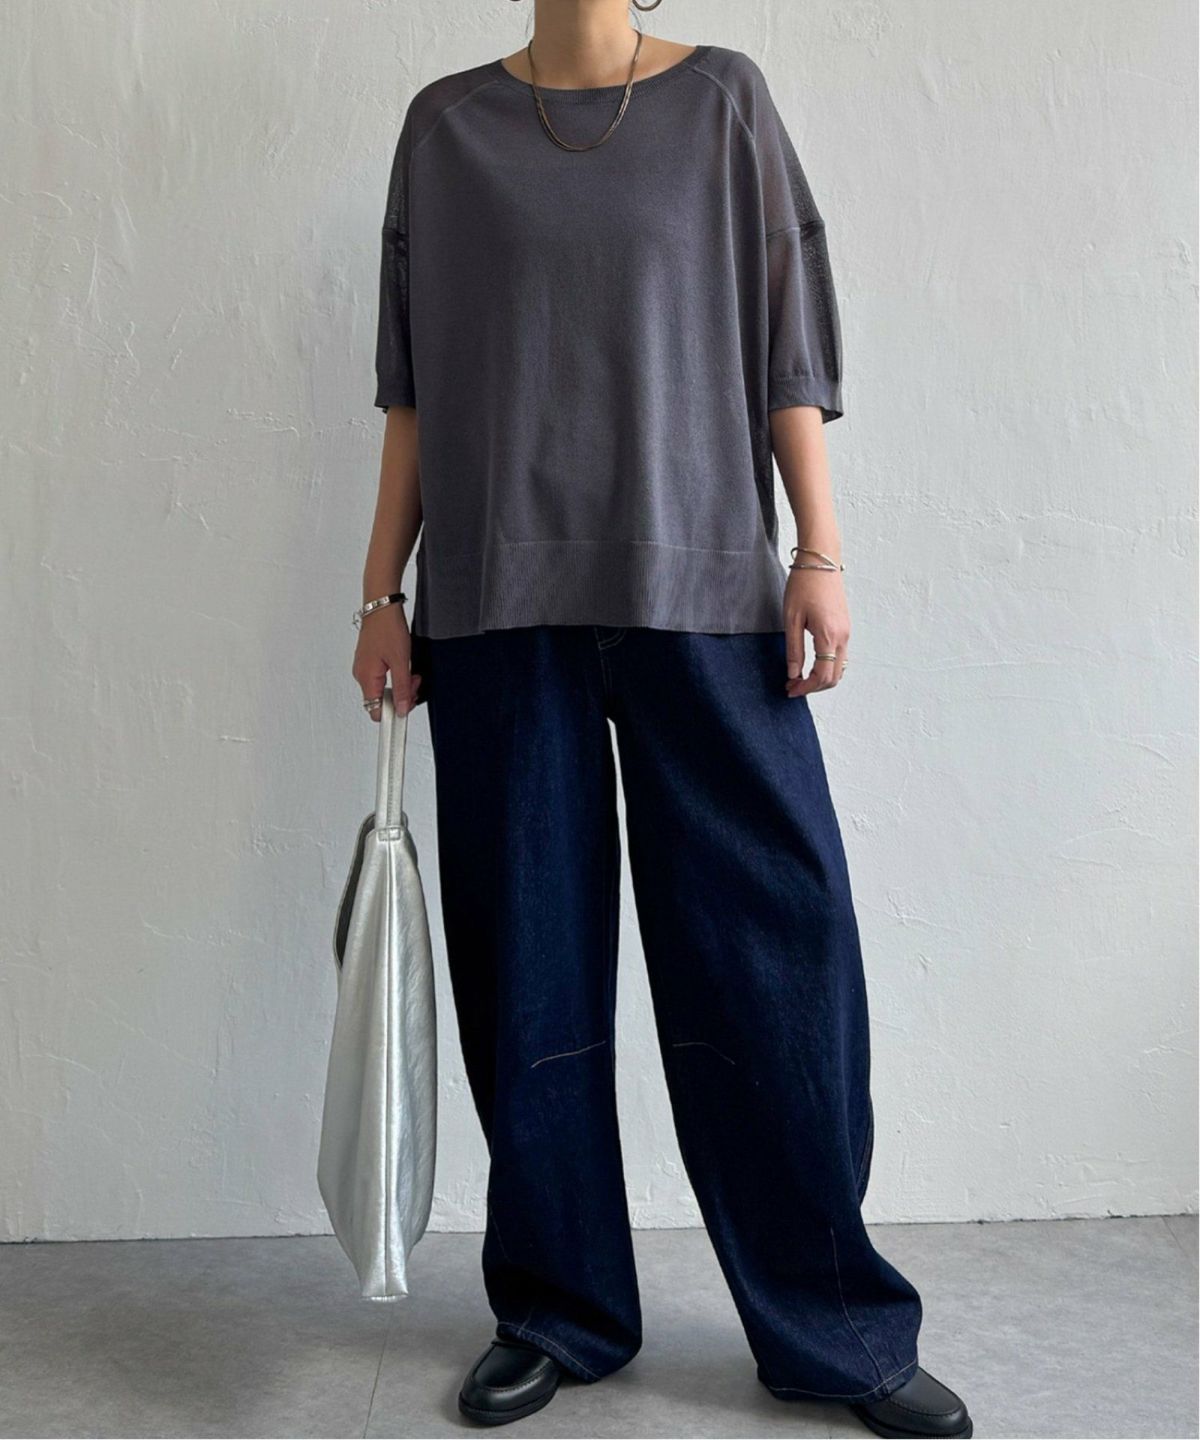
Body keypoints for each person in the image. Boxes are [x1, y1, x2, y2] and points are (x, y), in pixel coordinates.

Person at [352, 4, 972, 1436]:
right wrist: (380, 590)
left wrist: (819, 553)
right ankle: (557, 1307)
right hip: (496, 602)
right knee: (529, 970)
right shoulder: (445, 130)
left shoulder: (723, 105)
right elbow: (413, 391)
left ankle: (832, 1324)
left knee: (774, 954)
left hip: (704, 594)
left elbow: (788, 348)